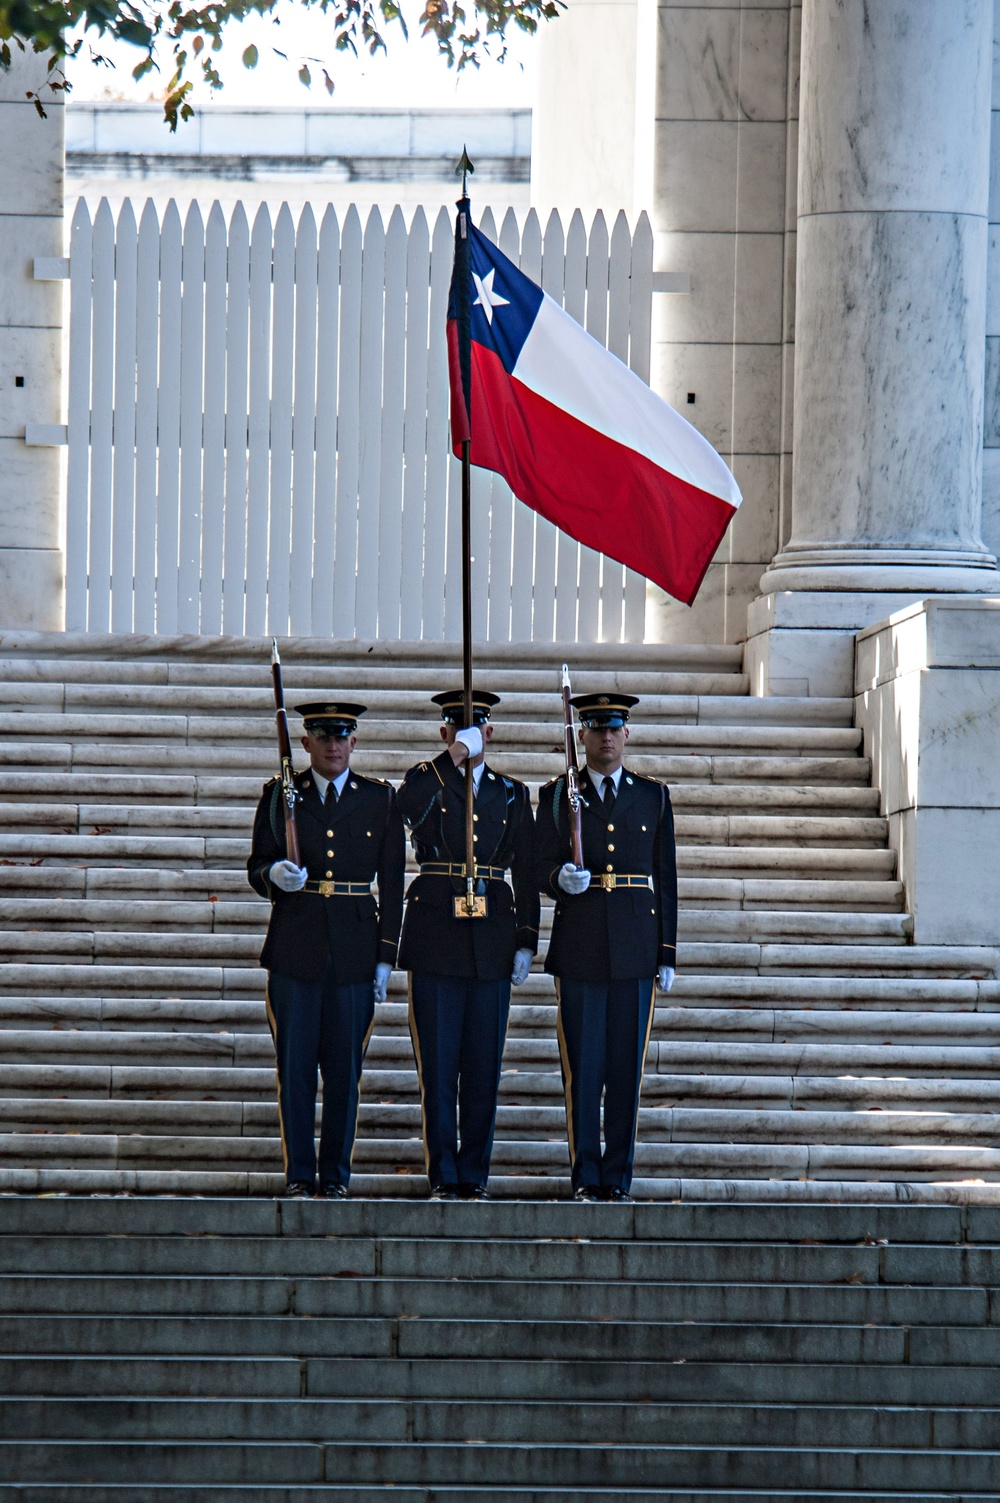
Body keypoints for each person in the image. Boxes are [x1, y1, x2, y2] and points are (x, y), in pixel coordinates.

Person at [247, 701, 405, 1199]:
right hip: (296, 948)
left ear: (354, 742)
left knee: (344, 1072)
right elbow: (256, 864)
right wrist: (273, 875)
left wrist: (385, 956)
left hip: (355, 951)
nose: (333, 744)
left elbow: (395, 884)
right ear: (305, 743)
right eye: (323, 735)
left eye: (342, 735)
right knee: (294, 1070)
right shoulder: (281, 795)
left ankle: (334, 1175)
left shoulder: (379, 799)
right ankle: (299, 1173)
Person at [397, 689, 539, 1200]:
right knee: (437, 1067)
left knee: (482, 1065)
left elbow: (524, 869)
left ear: (491, 732)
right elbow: (403, 811)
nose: (467, 735)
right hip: (436, 934)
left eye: (476, 729)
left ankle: (474, 1174)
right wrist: (452, 759)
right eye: (457, 729)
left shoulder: (512, 793)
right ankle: (443, 1173)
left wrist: (527, 938)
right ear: (444, 734)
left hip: (492, 938)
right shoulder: (427, 779)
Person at [535, 692, 677, 1203]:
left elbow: (666, 877)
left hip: (637, 949)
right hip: (580, 949)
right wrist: (558, 878)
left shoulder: (653, 796)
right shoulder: (557, 795)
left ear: (627, 734)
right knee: (583, 1070)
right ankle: (585, 1175)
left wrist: (667, 952)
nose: (607, 737)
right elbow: (536, 868)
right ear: (582, 736)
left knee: (624, 1071)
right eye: (596, 728)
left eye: (615, 727)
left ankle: (617, 1176)